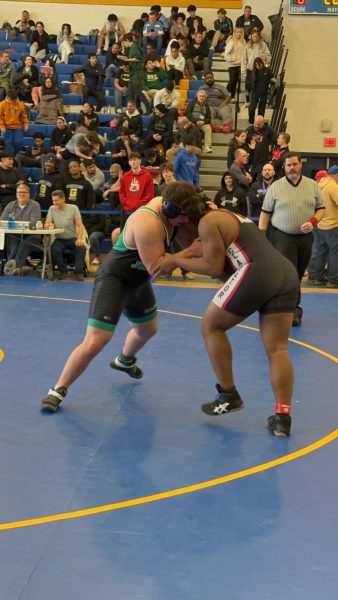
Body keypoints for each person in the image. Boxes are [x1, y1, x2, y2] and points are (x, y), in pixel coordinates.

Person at [40, 181, 203, 412]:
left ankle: (124, 360)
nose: (185, 222)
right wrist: (191, 251)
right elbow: (158, 268)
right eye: (183, 218)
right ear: (171, 210)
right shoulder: (148, 223)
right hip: (115, 280)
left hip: (137, 280)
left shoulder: (172, 210)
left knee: (148, 329)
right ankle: (57, 390)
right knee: (97, 339)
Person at [152, 186, 300, 438]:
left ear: (183, 214)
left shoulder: (208, 223)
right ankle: (282, 418)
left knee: (210, 326)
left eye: (171, 217)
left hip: (258, 272)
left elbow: (212, 267)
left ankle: (228, 393)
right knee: (278, 349)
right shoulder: (222, 214)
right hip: (286, 274)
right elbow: (225, 272)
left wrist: (175, 260)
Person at [259, 152, 325, 326]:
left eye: (294, 164)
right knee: (287, 274)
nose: (291, 168)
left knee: (297, 274)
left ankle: (293, 309)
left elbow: (321, 209)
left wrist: (313, 222)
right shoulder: (276, 187)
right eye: (288, 165)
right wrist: (262, 237)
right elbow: (265, 214)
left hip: (305, 237)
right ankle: (285, 310)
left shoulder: (312, 185)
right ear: (284, 167)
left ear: (300, 165)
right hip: (282, 236)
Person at [44, 189, 86, 281]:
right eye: (53, 200)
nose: (55, 202)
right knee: (53, 249)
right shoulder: (52, 208)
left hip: (73, 238)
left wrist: (79, 239)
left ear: (63, 199)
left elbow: (80, 225)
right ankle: (64, 271)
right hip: (59, 239)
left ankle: (79, 272)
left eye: (57, 200)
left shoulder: (73, 208)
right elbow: (46, 223)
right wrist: (49, 225)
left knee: (81, 248)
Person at [2, 183, 41, 276]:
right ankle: (12, 270)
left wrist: (15, 224)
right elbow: (3, 221)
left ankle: (13, 270)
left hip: (32, 235)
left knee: (23, 246)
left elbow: (33, 223)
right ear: (16, 194)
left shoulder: (35, 205)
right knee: (14, 247)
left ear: (29, 194)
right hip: (15, 234)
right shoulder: (10, 205)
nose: (21, 194)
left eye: (24, 192)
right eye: (19, 192)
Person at [313, 165, 338, 288]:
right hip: (333, 224)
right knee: (335, 253)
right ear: (336, 176)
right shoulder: (333, 186)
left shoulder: (318, 185)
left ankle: (318, 277)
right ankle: (333, 280)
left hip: (320, 223)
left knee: (321, 252)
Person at [0, 88, 29, 155]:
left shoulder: (20, 104)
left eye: (13, 100)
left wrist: (26, 124)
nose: (11, 101)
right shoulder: (2, 104)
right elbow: (0, 117)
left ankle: (15, 156)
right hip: (7, 127)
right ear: (7, 97)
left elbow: (23, 116)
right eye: (10, 99)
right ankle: (9, 157)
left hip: (17, 127)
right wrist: (2, 126)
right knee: (8, 143)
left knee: (18, 142)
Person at [248, 57, 276, 124]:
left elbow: (272, 78)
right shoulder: (253, 72)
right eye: (256, 65)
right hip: (255, 92)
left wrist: (276, 81)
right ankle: (251, 121)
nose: (258, 66)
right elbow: (249, 83)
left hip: (264, 92)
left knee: (261, 109)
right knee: (252, 108)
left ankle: (260, 122)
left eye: (259, 64)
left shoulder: (267, 70)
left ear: (262, 63)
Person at [185, 88, 212, 153]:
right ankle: (192, 146)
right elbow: (187, 114)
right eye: (200, 96)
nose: (201, 97)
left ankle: (207, 147)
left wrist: (203, 122)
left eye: (203, 96)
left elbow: (209, 118)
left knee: (208, 128)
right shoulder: (192, 103)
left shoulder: (206, 105)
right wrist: (195, 121)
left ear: (205, 97)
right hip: (193, 122)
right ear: (197, 96)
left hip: (202, 123)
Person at [223, 28, 245, 100]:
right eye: (237, 32)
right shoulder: (231, 41)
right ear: (234, 33)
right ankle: (224, 95)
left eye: (240, 32)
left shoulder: (243, 41)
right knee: (232, 80)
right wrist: (231, 59)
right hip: (232, 64)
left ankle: (232, 97)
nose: (239, 33)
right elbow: (226, 53)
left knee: (235, 81)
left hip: (240, 64)